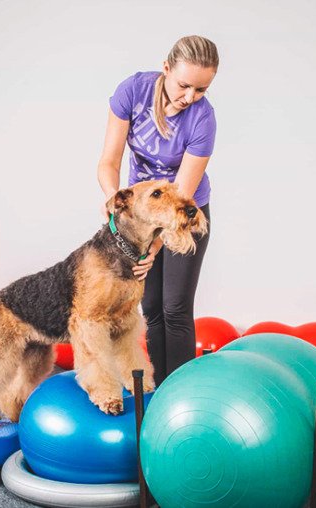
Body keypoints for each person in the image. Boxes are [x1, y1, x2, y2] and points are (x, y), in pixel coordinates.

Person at [97, 35, 219, 386]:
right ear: (166, 68)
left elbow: (180, 197)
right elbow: (109, 162)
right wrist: (117, 203)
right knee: (150, 308)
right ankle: (159, 388)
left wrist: (154, 247)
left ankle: (180, 393)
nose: (190, 97)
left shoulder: (203, 119)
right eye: (184, 85)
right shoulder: (132, 92)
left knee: (175, 308)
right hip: (142, 212)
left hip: (183, 212)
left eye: (201, 89)